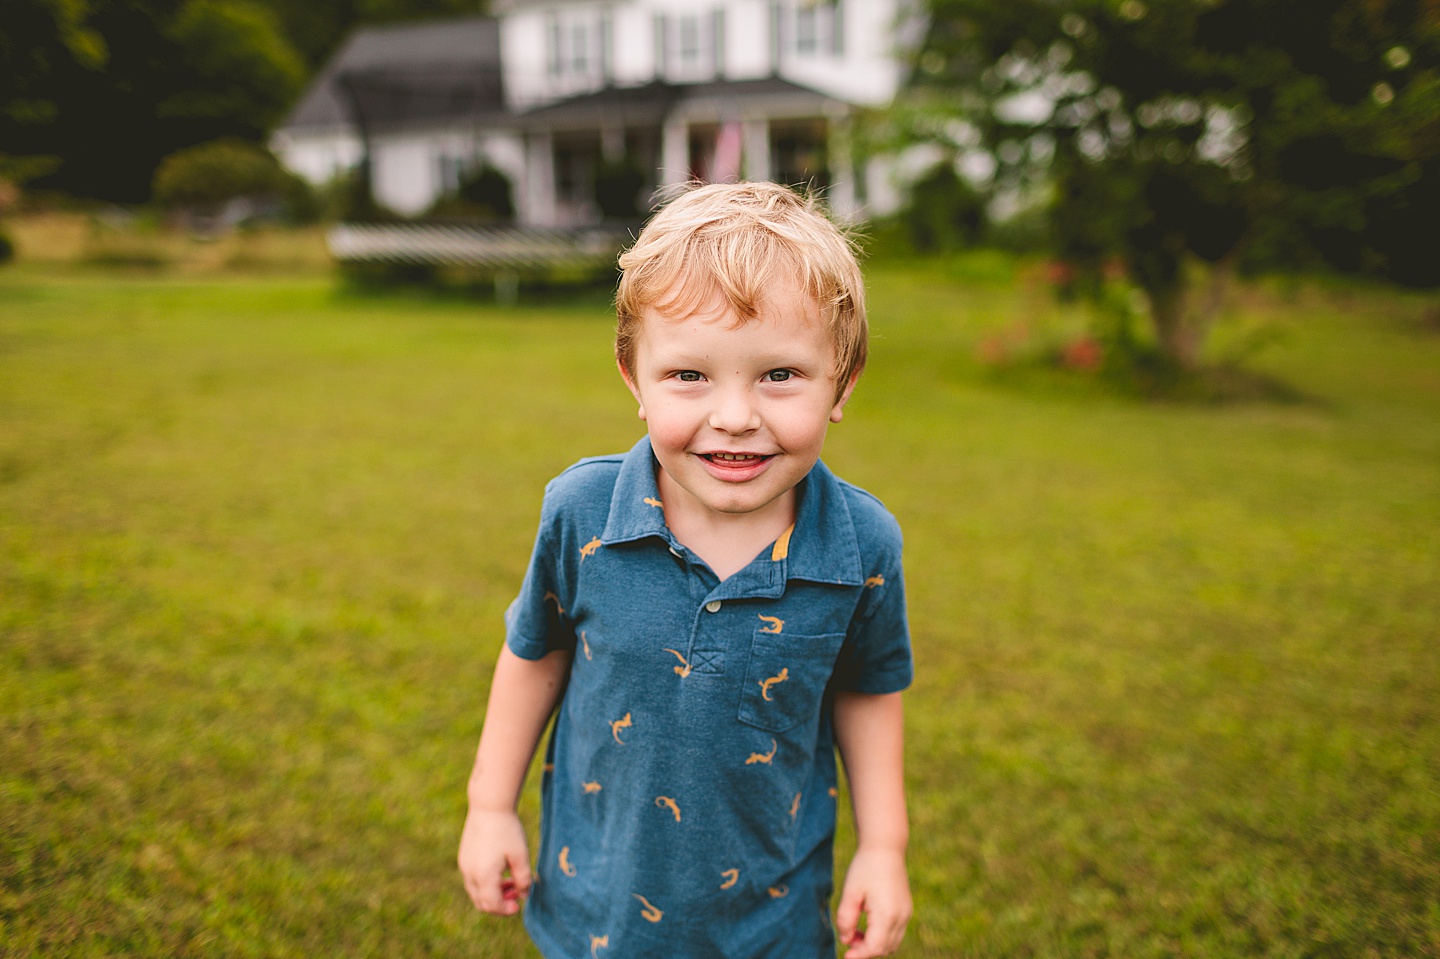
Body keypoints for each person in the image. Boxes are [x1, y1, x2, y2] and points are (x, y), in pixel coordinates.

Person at [458, 182, 913, 959]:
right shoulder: (583, 512)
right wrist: (489, 803)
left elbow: (867, 687)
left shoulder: (860, 543)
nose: (734, 415)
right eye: (690, 376)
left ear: (844, 379)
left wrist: (885, 846)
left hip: (770, 922)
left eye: (779, 375)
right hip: (596, 904)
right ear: (634, 376)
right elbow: (536, 651)